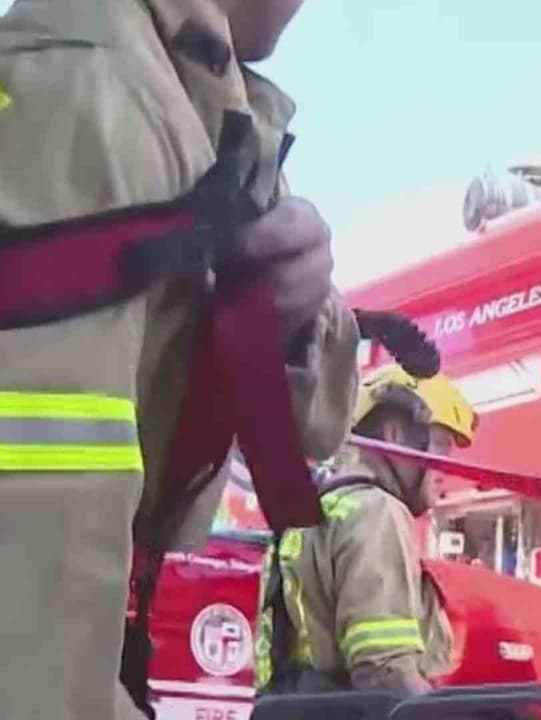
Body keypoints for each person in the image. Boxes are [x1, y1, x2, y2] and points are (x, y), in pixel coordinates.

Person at [0, 2, 358, 719]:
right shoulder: (87, 84)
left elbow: (318, 428)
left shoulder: (196, 102)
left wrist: (299, 311)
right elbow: (30, 648)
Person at [255, 365, 477, 697]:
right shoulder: (377, 512)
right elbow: (384, 671)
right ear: (395, 434)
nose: (446, 468)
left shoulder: (313, 511)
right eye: (441, 445)